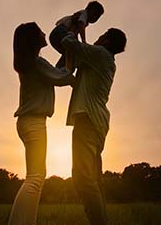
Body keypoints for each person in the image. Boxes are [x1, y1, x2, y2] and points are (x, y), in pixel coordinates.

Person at [9, 22, 74, 225]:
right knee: (35, 178)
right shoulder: (37, 63)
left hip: (27, 123)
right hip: (34, 124)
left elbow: (55, 72)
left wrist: (67, 58)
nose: (45, 33)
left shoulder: (33, 64)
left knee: (35, 177)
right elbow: (62, 77)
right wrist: (73, 53)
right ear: (33, 39)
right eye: (40, 32)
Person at [61, 28, 127, 225]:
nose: (97, 37)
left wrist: (74, 27)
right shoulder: (100, 60)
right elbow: (73, 75)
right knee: (94, 181)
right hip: (96, 122)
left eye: (102, 34)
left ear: (106, 40)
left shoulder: (99, 54)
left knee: (83, 179)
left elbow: (67, 41)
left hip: (88, 121)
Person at [49, 0, 104, 68]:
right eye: (94, 14)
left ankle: (60, 68)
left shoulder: (84, 21)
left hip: (57, 36)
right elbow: (81, 25)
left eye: (97, 17)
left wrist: (77, 42)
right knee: (74, 51)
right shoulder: (84, 13)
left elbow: (75, 34)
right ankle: (61, 68)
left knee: (70, 53)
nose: (95, 18)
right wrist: (83, 41)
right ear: (88, 10)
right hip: (60, 31)